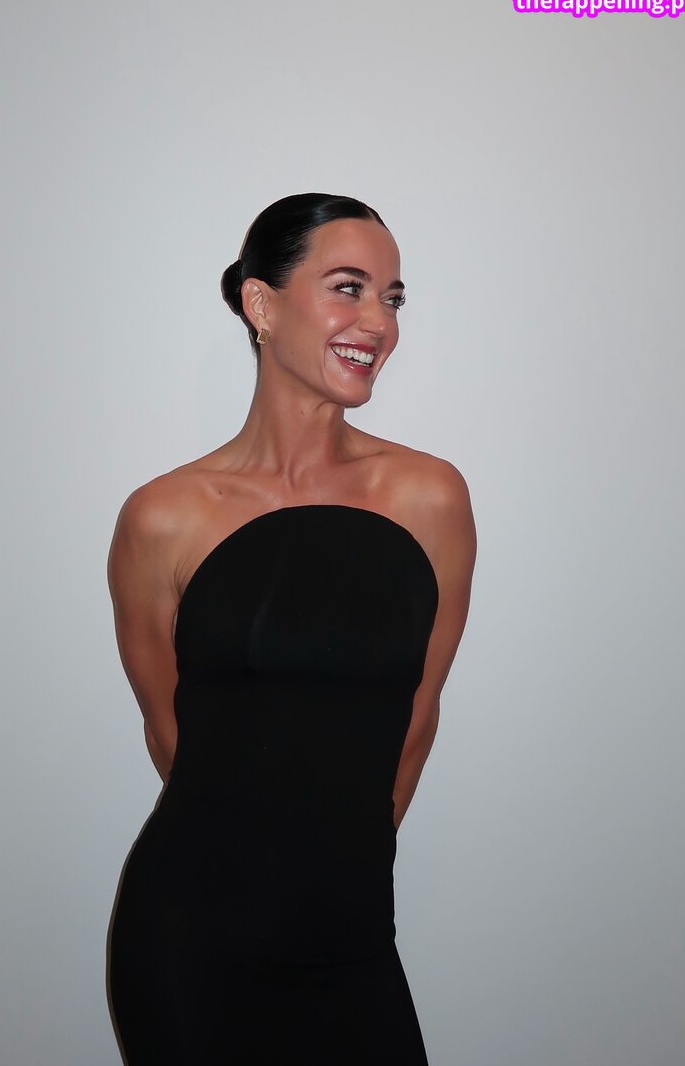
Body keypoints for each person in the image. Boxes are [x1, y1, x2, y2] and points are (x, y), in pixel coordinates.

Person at [106, 193, 477, 1064]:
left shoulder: (429, 499)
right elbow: (171, 734)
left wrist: (334, 872)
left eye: (392, 297)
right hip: (191, 942)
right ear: (261, 305)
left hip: (351, 935)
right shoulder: (162, 516)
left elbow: (417, 720)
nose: (378, 322)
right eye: (348, 287)